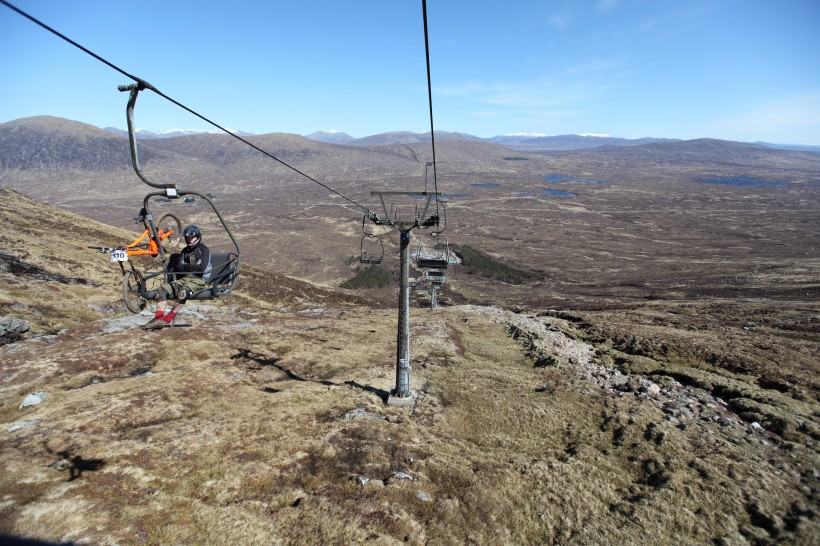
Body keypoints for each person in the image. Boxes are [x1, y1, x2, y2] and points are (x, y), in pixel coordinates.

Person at [142, 224, 212, 330]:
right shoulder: (184, 251)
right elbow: (179, 267)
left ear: (197, 237)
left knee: (183, 293)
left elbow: (202, 268)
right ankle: (158, 319)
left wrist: (186, 267)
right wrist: (192, 267)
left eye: (191, 238)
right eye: (187, 238)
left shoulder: (204, 250)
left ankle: (168, 319)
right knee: (161, 292)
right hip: (183, 279)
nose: (189, 240)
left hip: (199, 280)